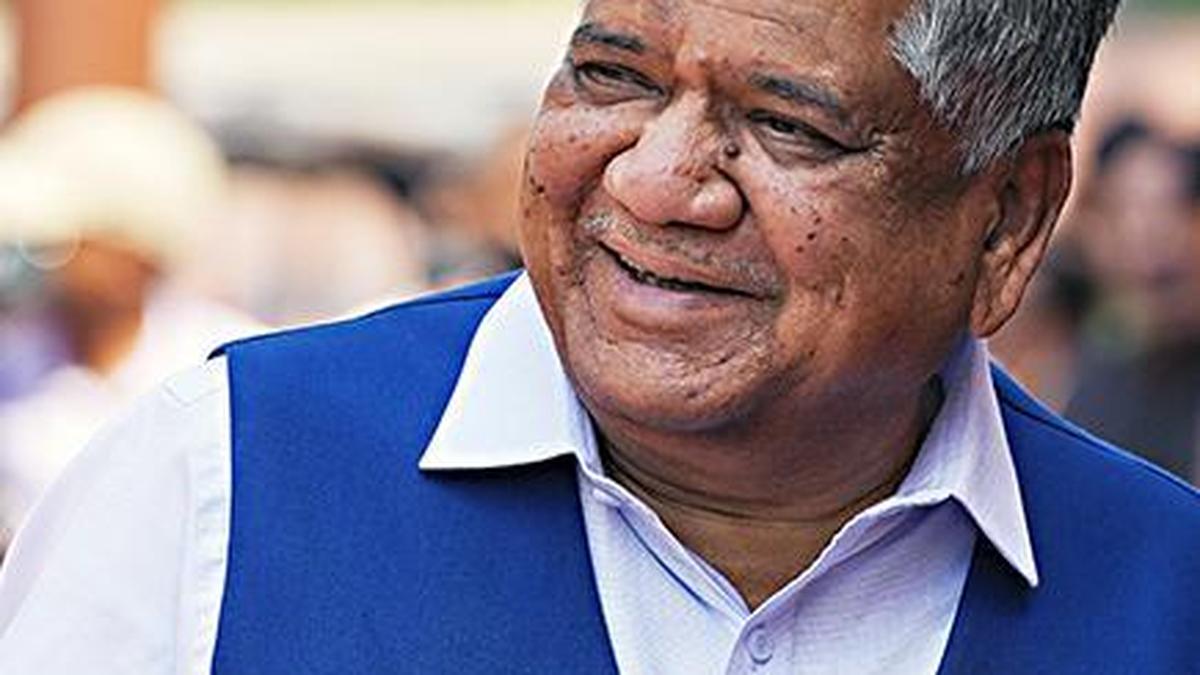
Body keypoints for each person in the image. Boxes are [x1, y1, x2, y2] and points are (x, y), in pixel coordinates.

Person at [1, 1, 1197, 673]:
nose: (657, 181)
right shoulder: (213, 483)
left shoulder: (1165, 594)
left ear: (1010, 220)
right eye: (613, 78)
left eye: (788, 126)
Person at [0, 88, 262, 550]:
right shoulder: (15, 358)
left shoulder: (229, 367)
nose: (37, 258)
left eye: (62, 243)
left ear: (132, 255)